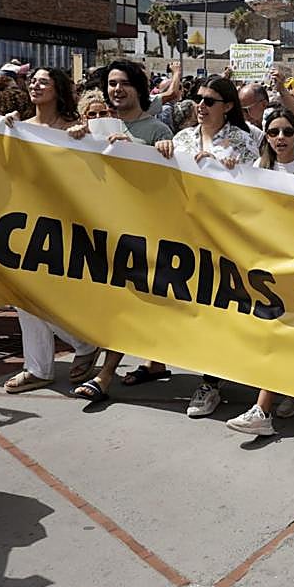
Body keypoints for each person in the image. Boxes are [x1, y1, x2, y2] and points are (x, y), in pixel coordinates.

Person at [151, 77, 258, 417]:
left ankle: (210, 383)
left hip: (224, 238)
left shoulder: (244, 142)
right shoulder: (181, 138)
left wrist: (232, 171)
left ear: (227, 106)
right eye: (198, 98)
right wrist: (162, 153)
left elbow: (256, 188)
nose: (201, 105)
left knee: (218, 309)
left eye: (210, 100)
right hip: (184, 235)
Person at [70, 61, 173, 404]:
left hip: (141, 232)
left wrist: (146, 152)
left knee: (125, 302)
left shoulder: (157, 130)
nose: (116, 90)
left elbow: (169, 183)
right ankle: (154, 362)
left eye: (124, 83)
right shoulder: (96, 126)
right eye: (112, 83)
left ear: (139, 88)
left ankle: (104, 374)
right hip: (103, 228)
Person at [223, 107, 294, 435]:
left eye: (287, 132)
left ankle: (267, 406)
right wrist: (229, 173)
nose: (280, 138)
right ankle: (274, 400)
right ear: (266, 137)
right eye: (273, 132)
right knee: (276, 330)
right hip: (269, 263)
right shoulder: (258, 167)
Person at [0, 68, 103, 394]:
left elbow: (95, 174)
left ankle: (78, 346)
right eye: (33, 81)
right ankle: (45, 363)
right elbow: (2, 171)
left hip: (64, 223)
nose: (35, 85)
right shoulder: (17, 127)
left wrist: (83, 141)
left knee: (53, 293)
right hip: (24, 218)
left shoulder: (72, 128)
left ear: (58, 89)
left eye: (43, 81)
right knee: (22, 295)